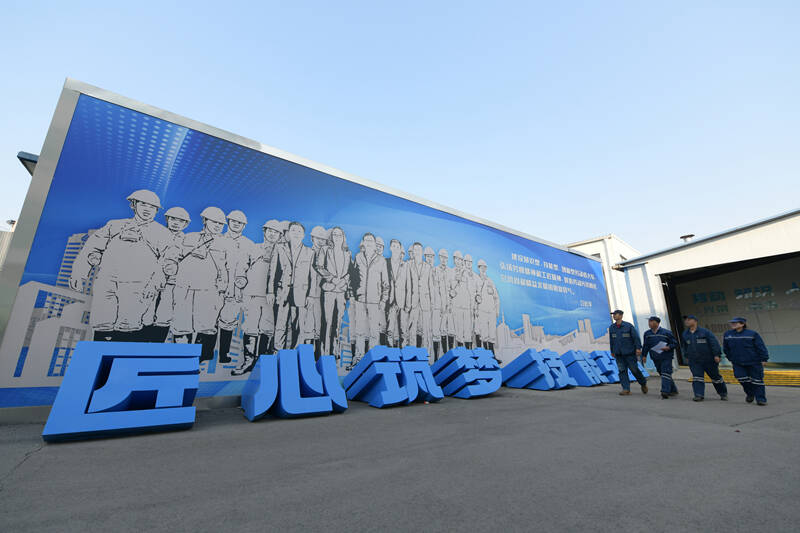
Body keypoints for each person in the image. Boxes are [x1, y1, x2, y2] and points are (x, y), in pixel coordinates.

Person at [70, 189, 173, 342]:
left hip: (138, 286)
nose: (147, 209)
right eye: (143, 204)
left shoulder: (162, 233)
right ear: (133, 205)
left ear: (156, 210)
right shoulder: (115, 225)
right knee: (102, 324)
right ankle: (100, 356)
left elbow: (168, 261)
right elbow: (92, 247)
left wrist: (154, 285)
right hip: (107, 282)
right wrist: (79, 273)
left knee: (128, 327)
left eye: (152, 207)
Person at [171, 206, 228, 362]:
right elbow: (174, 256)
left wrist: (225, 287)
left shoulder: (226, 244)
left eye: (220, 224)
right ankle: (181, 356)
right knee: (182, 323)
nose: (217, 226)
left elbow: (230, 266)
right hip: (185, 287)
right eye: (214, 222)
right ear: (204, 220)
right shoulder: (188, 238)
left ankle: (200, 358)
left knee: (207, 325)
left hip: (210, 289)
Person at [231, 219, 282, 376]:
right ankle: (248, 361)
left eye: (276, 232)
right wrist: (239, 286)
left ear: (280, 235)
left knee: (267, 329)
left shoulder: (282, 252)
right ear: (264, 231)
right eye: (270, 231)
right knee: (250, 327)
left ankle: (263, 362)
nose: (272, 234)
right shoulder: (253, 248)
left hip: (271, 297)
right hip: (252, 293)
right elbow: (241, 268)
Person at [148, 206, 191, 342]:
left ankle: (156, 347)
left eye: (180, 221)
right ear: (167, 219)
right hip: (149, 281)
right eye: (173, 219)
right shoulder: (155, 234)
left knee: (163, 316)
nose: (176, 223)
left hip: (171, 285)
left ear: (185, 224)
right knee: (144, 314)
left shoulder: (187, 242)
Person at [269, 221, 314, 350]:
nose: (296, 233)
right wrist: (270, 291)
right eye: (293, 230)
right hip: (282, 292)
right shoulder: (279, 248)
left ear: (303, 235)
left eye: (299, 231)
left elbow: (313, 276)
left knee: (298, 326)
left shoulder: (310, 252)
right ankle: (277, 351)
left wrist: (311, 295)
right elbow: (272, 272)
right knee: (280, 324)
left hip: (301, 293)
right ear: (288, 233)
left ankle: (296, 352)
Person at [217, 210, 254, 364]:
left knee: (228, 321)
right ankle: (204, 355)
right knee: (208, 321)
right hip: (216, 288)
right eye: (233, 221)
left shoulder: (249, 244)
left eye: (240, 223)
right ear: (228, 222)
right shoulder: (218, 239)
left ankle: (223, 355)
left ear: (244, 226)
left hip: (237, 291)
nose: (236, 224)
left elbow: (252, 268)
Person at [350, 233, 389, 366]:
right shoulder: (358, 257)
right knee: (359, 330)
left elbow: (385, 283)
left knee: (374, 331)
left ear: (374, 244)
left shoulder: (381, 260)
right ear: (363, 243)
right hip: (360, 299)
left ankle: (373, 358)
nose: (368, 243)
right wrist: (353, 295)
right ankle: (359, 357)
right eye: (366, 240)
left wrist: (383, 300)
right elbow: (353, 278)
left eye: (371, 241)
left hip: (375, 301)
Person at [316, 226, 350, 357]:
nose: (337, 237)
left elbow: (350, 271)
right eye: (335, 234)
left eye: (339, 235)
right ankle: (324, 352)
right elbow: (319, 266)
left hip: (341, 291)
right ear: (331, 237)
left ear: (343, 237)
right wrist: (332, 279)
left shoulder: (347, 253)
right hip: (329, 289)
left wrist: (344, 281)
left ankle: (335, 351)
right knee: (327, 321)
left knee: (338, 322)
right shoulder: (325, 249)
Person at [723, 317, 769, 405]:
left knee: (757, 380)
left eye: (735, 323)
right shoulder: (728, 334)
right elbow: (726, 348)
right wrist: (730, 358)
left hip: (754, 361)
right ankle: (750, 393)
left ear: (742, 324)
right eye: (732, 323)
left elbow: (760, 346)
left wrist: (764, 358)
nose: (733, 324)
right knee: (741, 378)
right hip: (737, 362)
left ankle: (761, 399)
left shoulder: (752, 334)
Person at [680, 315, 727, 401]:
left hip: (708, 359)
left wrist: (717, 355)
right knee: (697, 377)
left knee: (715, 377)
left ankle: (723, 393)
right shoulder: (685, 334)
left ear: (695, 321)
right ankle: (699, 395)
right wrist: (687, 355)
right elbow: (685, 346)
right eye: (686, 320)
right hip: (694, 361)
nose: (686, 321)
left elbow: (714, 343)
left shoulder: (705, 332)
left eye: (689, 319)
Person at [302, 225, 328, 356]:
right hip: (308, 294)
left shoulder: (328, 255)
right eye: (318, 238)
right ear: (312, 238)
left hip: (324, 294)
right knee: (308, 323)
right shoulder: (306, 252)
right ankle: (307, 354)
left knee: (320, 324)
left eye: (323, 239)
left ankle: (318, 354)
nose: (320, 241)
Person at [608, 310, 647, 395]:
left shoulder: (628, 326)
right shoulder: (612, 327)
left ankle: (643, 383)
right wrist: (612, 351)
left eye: (615, 314)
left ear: (621, 315)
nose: (614, 316)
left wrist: (638, 348)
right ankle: (626, 389)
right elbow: (612, 340)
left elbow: (636, 338)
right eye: (613, 314)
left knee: (634, 370)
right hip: (619, 354)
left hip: (629, 353)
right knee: (622, 371)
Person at [641, 316, 679, 399]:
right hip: (655, 356)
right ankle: (673, 390)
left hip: (666, 356)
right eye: (649, 321)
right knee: (662, 373)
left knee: (665, 372)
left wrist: (668, 347)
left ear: (657, 323)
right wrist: (644, 355)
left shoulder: (666, 332)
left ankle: (665, 391)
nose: (649, 323)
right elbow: (646, 345)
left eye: (651, 321)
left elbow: (675, 343)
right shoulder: (647, 334)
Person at [474, 259, 500, 356]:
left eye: (485, 267)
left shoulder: (490, 281)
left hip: (491, 310)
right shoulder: (476, 279)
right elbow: (474, 295)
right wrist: (475, 309)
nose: (483, 269)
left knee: (492, 333)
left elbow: (496, 296)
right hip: (482, 310)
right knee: (483, 333)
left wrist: (497, 310)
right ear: (478, 268)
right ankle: (486, 356)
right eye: (481, 267)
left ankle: (493, 355)